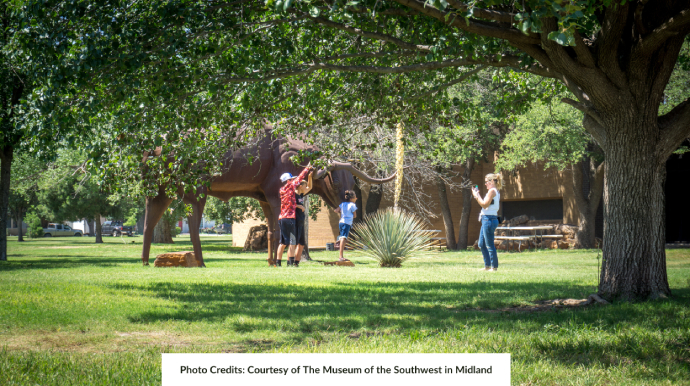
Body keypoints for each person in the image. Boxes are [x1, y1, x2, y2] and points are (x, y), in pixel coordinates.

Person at [276, 166, 313, 267]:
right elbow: (300, 177)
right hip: (290, 219)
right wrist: (308, 167)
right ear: (288, 180)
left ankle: (277, 263)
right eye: (292, 179)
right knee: (292, 242)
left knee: (283, 242)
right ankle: (290, 264)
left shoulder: (281, 190)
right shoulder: (291, 187)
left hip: (281, 218)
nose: (293, 180)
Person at [472, 173, 503, 272]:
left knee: (489, 245)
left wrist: (476, 196)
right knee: (481, 244)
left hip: (489, 219)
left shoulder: (492, 191)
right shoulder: (494, 191)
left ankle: (494, 267)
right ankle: (487, 266)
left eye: (486, 182)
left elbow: (484, 205)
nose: (485, 184)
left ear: (492, 181)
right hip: (487, 219)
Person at [292, 171, 313, 267]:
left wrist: (310, 177)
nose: (306, 188)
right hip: (295, 221)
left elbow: (310, 187)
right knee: (294, 244)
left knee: (301, 244)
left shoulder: (301, 195)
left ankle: (296, 263)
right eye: (305, 186)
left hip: (301, 221)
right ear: (300, 186)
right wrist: (299, 207)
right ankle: (290, 262)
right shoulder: (293, 195)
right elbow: (290, 205)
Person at [333, 190, 357, 261]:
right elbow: (355, 216)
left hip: (341, 222)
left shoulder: (342, 204)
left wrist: (342, 211)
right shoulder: (352, 205)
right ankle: (341, 257)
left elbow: (335, 210)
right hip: (346, 223)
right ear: (351, 198)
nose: (356, 199)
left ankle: (341, 256)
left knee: (343, 237)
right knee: (343, 238)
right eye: (355, 197)